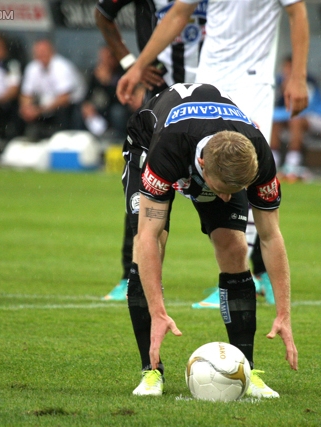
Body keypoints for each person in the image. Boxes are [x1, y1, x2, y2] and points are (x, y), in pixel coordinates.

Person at [115, 0, 310, 309]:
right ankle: (242, 273)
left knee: (242, 172)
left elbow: (297, 12)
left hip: (252, 78)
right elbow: (179, 12)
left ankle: (244, 274)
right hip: (210, 74)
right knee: (208, 170)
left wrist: (298, 76)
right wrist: (139, 65)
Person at [122, 82, 297, 397]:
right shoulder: (170, 148)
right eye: (223, 189)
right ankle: (151, 371)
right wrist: (158, 311)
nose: (229, 197)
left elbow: (271, 237)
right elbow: (147, 236)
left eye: (235, 190)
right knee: (151, 243)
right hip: (148, 145)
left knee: (234, 246)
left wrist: (284, 312)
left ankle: (247, 368)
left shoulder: (257, 151)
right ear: (202, 165)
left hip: (213, 152)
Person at [95, 0, 207, 301]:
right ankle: (130, 275)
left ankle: (256, 275)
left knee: (233, 173)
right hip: (163, 96)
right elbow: (103, 15)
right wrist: (132, 64)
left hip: (214, 90)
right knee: (145, 179)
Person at [271, 57, 321, 183]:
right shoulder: (278, 81)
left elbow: (302, 109)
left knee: (296, 120)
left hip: (317, 117)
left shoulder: (308, 81)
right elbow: (276, 109)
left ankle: (292, 164)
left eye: (290, 68)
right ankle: (272, 162)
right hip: (290, 117)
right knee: (275, 123)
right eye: (285, 68)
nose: (287, 72)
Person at [19, 40, 86, 142]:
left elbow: (64, 98)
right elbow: (26, 94)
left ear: (52, 52)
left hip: (71, 105)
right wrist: (26, 108)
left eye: (44, 52)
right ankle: (24, 142)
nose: (42, 55)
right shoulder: (32, 68)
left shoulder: (62, 67)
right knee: (20, 111)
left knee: (62, 112)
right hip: (44, 105)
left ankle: (62, 142)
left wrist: (39, 111)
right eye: (38, 52)